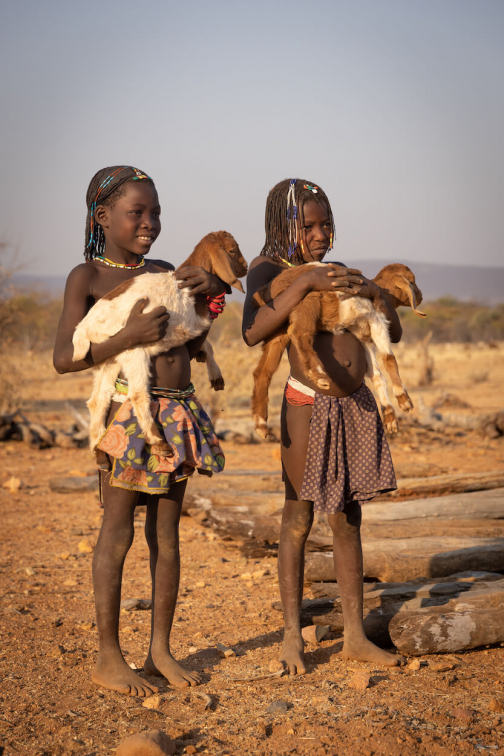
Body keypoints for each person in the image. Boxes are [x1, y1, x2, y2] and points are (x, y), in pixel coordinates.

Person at [53, 166, 227, 697]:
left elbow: (190, 332)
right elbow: (65, 358)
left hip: (177, 412)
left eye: (155, 213)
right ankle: (109, 657)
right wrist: (124, 336)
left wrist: (212, 291)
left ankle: (160, 650)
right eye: (137, 213)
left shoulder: (167, 270)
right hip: (129, 416)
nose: (149, 222)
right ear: (103, 217)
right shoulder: (87, 278)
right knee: (118, 529)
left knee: (167, 536)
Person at [242, 178, 402, 675]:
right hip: (307, 405)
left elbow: (390, 330)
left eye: (325, 223)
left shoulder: (339, 272)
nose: (319, 232)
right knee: (298, 515)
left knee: (347, 519)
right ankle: (292, 637)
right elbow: (254, 331)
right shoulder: (268, 270)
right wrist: (307, 283)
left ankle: (354, 636)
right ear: (281, 225)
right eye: (306, 224)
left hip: (354, 404)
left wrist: (376, 291)